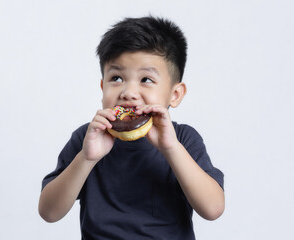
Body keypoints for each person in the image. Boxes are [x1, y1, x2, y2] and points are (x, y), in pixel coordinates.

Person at [39, 16, 225, 239]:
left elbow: (213, 209)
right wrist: (86, 159)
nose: (128, 92)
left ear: (174, 95)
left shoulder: (183, 139)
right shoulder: (87, 139)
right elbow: (49, 212)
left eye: (146, 79)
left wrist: (171, 148)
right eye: (116, 78)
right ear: (102, 87)